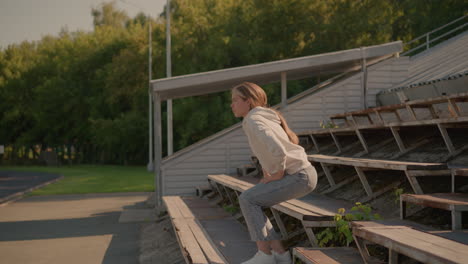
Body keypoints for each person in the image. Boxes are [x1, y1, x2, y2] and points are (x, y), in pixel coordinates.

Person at [230, 82, 318, 264]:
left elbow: (277, 150)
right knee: (253, 200)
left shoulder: (253, 120)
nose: (232, 105)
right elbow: (269, 151)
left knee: (248, 199)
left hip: (299, 176)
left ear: (248, 101)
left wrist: (277, 174)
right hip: (304, 175)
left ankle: (265, 255)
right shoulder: (261, 117)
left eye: (235, 100)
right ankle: (279, 253)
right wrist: (269, 173)